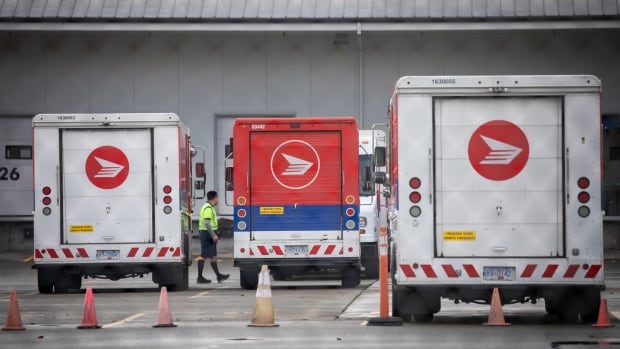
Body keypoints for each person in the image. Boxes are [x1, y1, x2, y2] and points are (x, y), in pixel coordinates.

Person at [197, 190, 230, 284]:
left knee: (213, 256)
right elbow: (206, 222)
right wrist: (213, 235)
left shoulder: (209, 207)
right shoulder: (208, 208)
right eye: (217, 198)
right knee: (204, 256)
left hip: (207, 234)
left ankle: (219, 276)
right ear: (214, 198)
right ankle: (200, 277)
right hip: (207, 234)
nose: (218, 200)